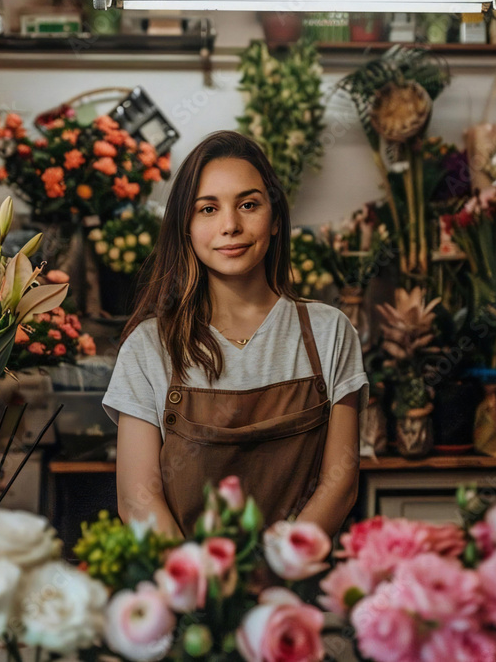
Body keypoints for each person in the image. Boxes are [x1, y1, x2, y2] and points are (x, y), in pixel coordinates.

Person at [102, 131, 367, 538]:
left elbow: (340, 485)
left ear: (275, 219)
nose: (230, 225)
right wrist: (196, 585)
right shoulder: (148, 347)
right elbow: (138, 499)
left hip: (297, 590)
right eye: (208, 209)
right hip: (184, 593)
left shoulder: (330, 333)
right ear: (185, 227)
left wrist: (279, 575)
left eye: (248, 205)